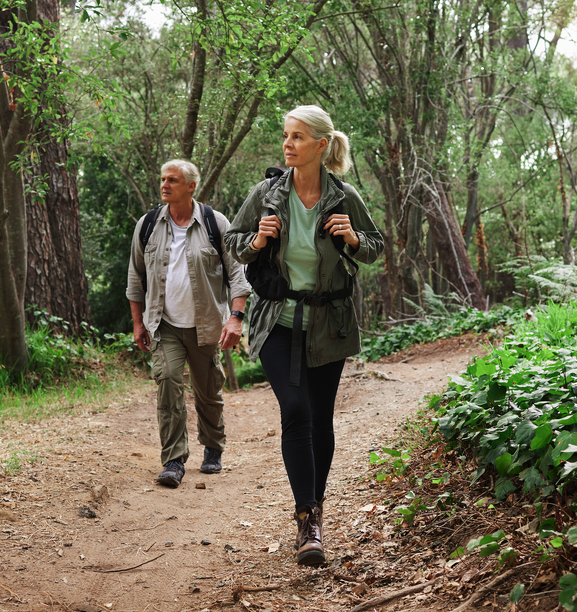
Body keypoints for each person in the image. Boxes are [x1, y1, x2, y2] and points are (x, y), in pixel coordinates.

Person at [224, 105, 384, 565]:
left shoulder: (344, 196)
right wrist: (257, 240)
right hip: (277, 321)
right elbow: (232, 242)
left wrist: (353, 238)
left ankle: (316, 510)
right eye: (286, 135)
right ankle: (306, 518)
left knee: (320, 419)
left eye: (297, 136)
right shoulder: (267, 194)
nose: (287, 144)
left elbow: (374, 247)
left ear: (320, 145)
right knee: (296, 410)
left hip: (329, 324)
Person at [126, 159, 251, 488]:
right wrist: (138, 323)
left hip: (206, 324)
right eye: (163, 178)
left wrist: (235, 319)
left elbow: (238, 276)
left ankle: (213, 447)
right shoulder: (148, 224)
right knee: (168, 382)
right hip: (163, 324)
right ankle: (173, 459)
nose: (164, 184)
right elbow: (135, 279)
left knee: (208, 391)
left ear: (191, 186)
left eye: (173, 180)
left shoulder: (215, 223)